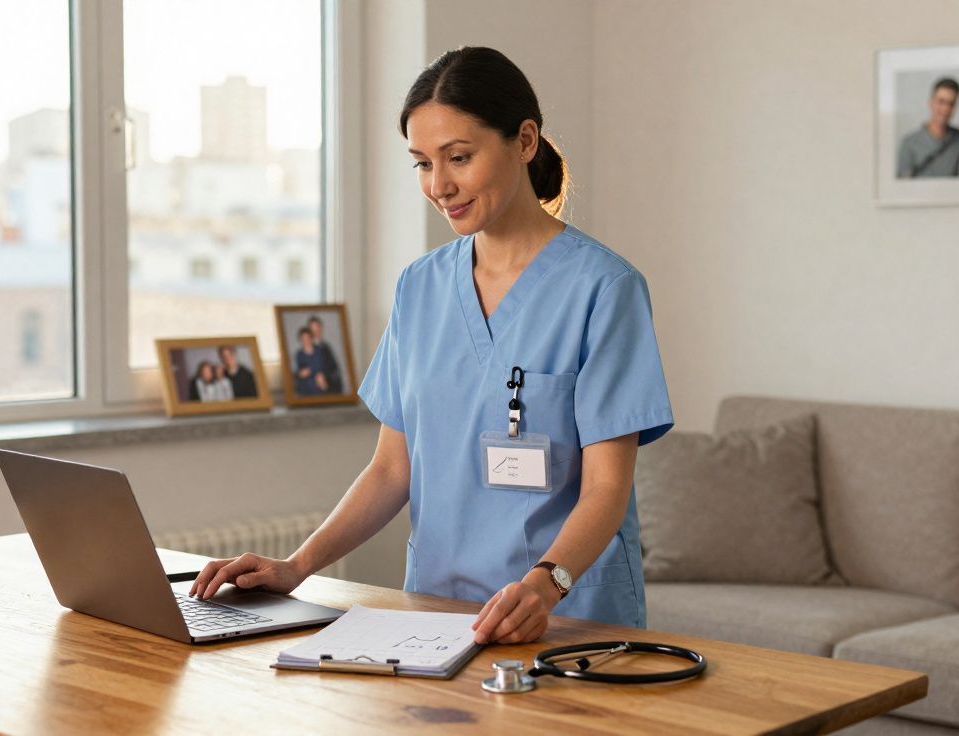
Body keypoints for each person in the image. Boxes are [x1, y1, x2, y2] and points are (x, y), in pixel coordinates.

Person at [192, 47, 672, 644]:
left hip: (566, 613)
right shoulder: (419, 287)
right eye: (421, 163)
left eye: (459, 158)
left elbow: (606, 487)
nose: (439, 185)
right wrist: (297, 567)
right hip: (437, 612)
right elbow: (392, 469)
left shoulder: (604, 288)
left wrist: (545, 584)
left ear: (524, 142)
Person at [896, 77, 959, 178]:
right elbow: (901, 185)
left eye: (951, 104)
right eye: (941, 102)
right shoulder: (909, 143)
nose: (945, 108)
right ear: (930, 102)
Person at [306, 316, 343, 394]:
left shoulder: (326, 347)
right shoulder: (305, 350)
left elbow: (333, 368)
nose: (315, 331)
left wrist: (324, 376)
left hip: (328, 385)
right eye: (312, 328)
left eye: (317, 328)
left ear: (320, 329)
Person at [293, 327, 327, 396]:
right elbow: (297, 372)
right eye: (303, 339)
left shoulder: (319, 351)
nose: (306, 341)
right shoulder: (299, 354)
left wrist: (320, 375)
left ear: (311, 338)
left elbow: (324, 368)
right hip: (305, 385)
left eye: (308, 338)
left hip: (320, 384)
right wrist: (300, 374)